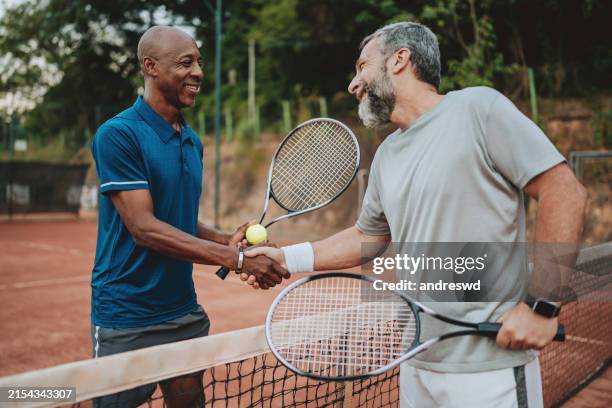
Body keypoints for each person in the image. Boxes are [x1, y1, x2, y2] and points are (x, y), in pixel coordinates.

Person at [244, 22, 587, 407]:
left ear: (399, 60)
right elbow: (367, 237)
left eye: (362, 67)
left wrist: (542, 305)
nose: (353, 85)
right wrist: (286, 258)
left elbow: (564, 191)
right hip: (415, 361)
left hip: (487, 368)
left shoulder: (478, 108)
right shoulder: (388, 154)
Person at [90, 26, 289, 407]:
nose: (198, 71)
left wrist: (224, 240)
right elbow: (145, 228)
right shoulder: (118, 135)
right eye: (186, 63)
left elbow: (176, 218)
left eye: (199, 62)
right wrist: (238, 259)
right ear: (150, 67)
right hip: (126, 317)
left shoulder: (191, 140)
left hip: (183, 312)